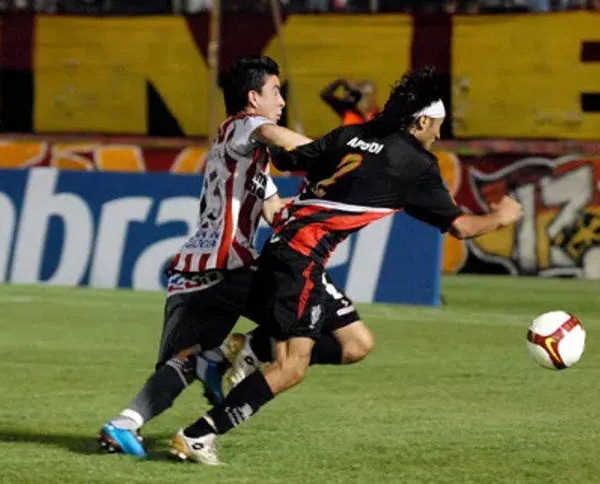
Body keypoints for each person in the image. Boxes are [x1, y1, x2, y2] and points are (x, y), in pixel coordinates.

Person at [168, 66, 524, 465]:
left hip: (292, 253)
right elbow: (461, 226)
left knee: (356, 345)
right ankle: (198, 435)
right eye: (438, 126)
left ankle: (247, 345)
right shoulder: (417, 166)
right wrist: (502, 217)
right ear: (423, 120)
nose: (439, 135)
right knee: (291, 367)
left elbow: (290, 160)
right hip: (299, 260)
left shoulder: (355, 134)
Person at [96, 55, 365, 458]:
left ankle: (123, 424)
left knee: (183, 363)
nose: (281, 101)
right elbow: (282, 138)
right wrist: (341, 154)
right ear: (253, 97)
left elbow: (279, 216)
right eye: (276, 91)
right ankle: (241, 354)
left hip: (197, 273)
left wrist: (324, 201)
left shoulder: (247, 161)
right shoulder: (245, 126)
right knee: (322, 329)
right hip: (228, 268)